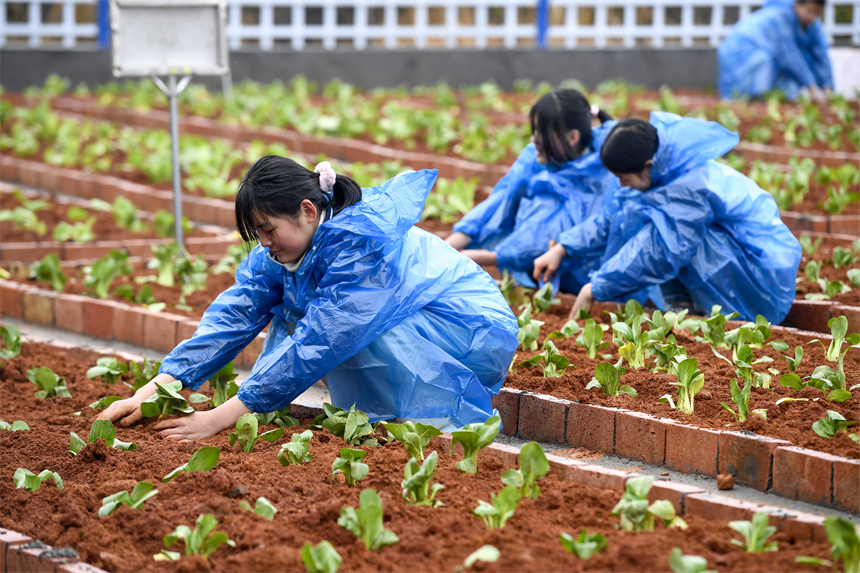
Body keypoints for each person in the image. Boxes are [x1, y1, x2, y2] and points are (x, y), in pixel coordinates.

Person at [99, 158, 519, 440]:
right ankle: (391, 410)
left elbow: (323, 339)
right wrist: (155, 389)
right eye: (257, 235)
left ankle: (427, 414)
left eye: (268, 230)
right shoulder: (287, 250)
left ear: (307, 210)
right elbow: (234, 315)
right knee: (309, 319)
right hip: (426, 323)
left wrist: (217, 418)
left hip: (471, 331)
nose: (264, 244)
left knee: (348, 333)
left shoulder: (361, 248)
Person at [533, 112, 802, 325]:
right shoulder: (659, 170)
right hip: (737, 264)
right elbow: (612, 217)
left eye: (624, 178)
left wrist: (595, 288)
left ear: (647, 166)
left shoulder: (690, 186)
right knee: (636, 214)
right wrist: (563, 247)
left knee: (660, 234)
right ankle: (684, 310)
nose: (622, 185)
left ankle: (711, 315)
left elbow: (659, 251)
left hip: (759, 282)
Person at [444, 88, 618, 293]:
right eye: (535, 130)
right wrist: (450, 245)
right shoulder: (536, 155)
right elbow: (502, 200)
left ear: (572, 137)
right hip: (538, 268)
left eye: (542, 133)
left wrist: (484, 257)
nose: (534, 139)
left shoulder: (605, 170)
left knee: (546, 203)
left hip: (589, 279)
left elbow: (552, 232)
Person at [717, 0, 833, 101]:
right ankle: (754, 99)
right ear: (797, 5)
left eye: (816, 13)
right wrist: (812, 87)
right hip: (740, 51)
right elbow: (790, 57)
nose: (812, 17)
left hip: (758, 51)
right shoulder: (780, 17)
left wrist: (828, 86)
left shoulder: (813, 25)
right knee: (765, 64)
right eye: (809, 11)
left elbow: (821, 54)